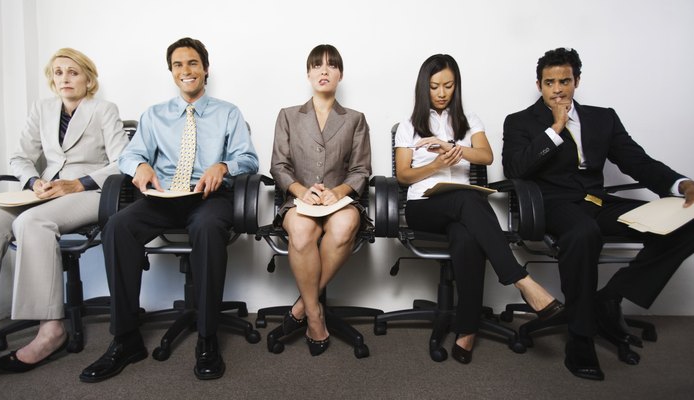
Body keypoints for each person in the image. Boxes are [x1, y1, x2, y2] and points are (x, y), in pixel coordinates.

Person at [502, 47, 694, 380]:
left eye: (565, 81)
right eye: (550, 83)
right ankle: (580, 337)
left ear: (577, 81)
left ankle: (609, 298)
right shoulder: (520, 121)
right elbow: (516, 168)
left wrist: (681, 185)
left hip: (598, 203)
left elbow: (638, 161)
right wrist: (556, 129)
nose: (558, 89)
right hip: (554, 206)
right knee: (582, 232)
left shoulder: (602, 117)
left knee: (686, 222)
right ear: (539, 85)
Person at [80, 38, 258, 382]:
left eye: (193, 63)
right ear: (171, 72)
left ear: (205, 69)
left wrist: (222, 166)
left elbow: (249, 158)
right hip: (163, 198)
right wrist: (139, 168)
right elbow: (129, 155)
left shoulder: (228, 113)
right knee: (118, 226)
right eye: (178, 65)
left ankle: (207, 338)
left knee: (206, 229)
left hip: (208, 199)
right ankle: (126, 338)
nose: (186, 71)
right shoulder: (154, 115)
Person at [0, 48, 128, 379]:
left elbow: (123, 161)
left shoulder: (104, 110)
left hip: (89, 192)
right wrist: (34, 180)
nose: (64, 78)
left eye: (73, 72)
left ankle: (50, 330)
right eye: (58, 72)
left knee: (32, 221)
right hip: (45, 189)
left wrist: (77, 184)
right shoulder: (42, 109)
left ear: (88, 78)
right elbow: (20, 157)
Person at [395, 54, 564, 364]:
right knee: (468, 200)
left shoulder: (470, 120)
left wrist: (455, 150)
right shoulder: (408, 126)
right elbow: (403, 175)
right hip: (423, 207)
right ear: (424, 88)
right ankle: (522, 280)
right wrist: (435, 164)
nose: (442, 93)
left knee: (467, 235)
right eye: (435, 87)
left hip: (462, 208)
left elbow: (485, 156)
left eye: (448, 85)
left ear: (456, 86)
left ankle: (467, 329)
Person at [270, 44, 371, 356]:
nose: (324, 71)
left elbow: (361, 169)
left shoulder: (355, 119)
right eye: (317, 65)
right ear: (308, 73)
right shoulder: (288, 116)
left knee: (342, 229)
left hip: (341, 202)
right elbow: (279, 166)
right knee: (301, 232)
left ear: (340, 74)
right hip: (300, 201)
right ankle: (315, 315)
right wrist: (302, 191)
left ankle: (301, 306)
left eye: (331, 66)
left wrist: (338, 192)